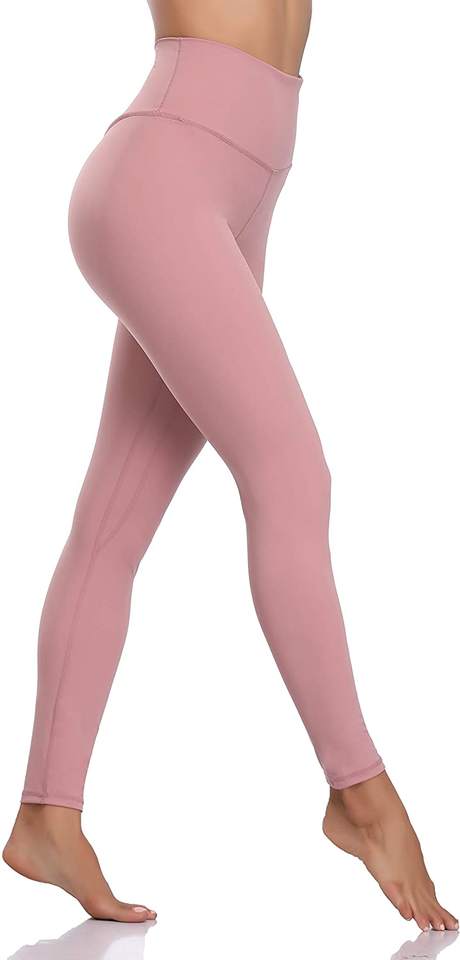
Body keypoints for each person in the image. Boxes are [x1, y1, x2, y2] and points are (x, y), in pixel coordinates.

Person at [3, 0, 458, 931]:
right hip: (165, 174)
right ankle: (362, 792)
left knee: (112, 525)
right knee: (291, 473)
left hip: (231, 184)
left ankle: (48, 814)